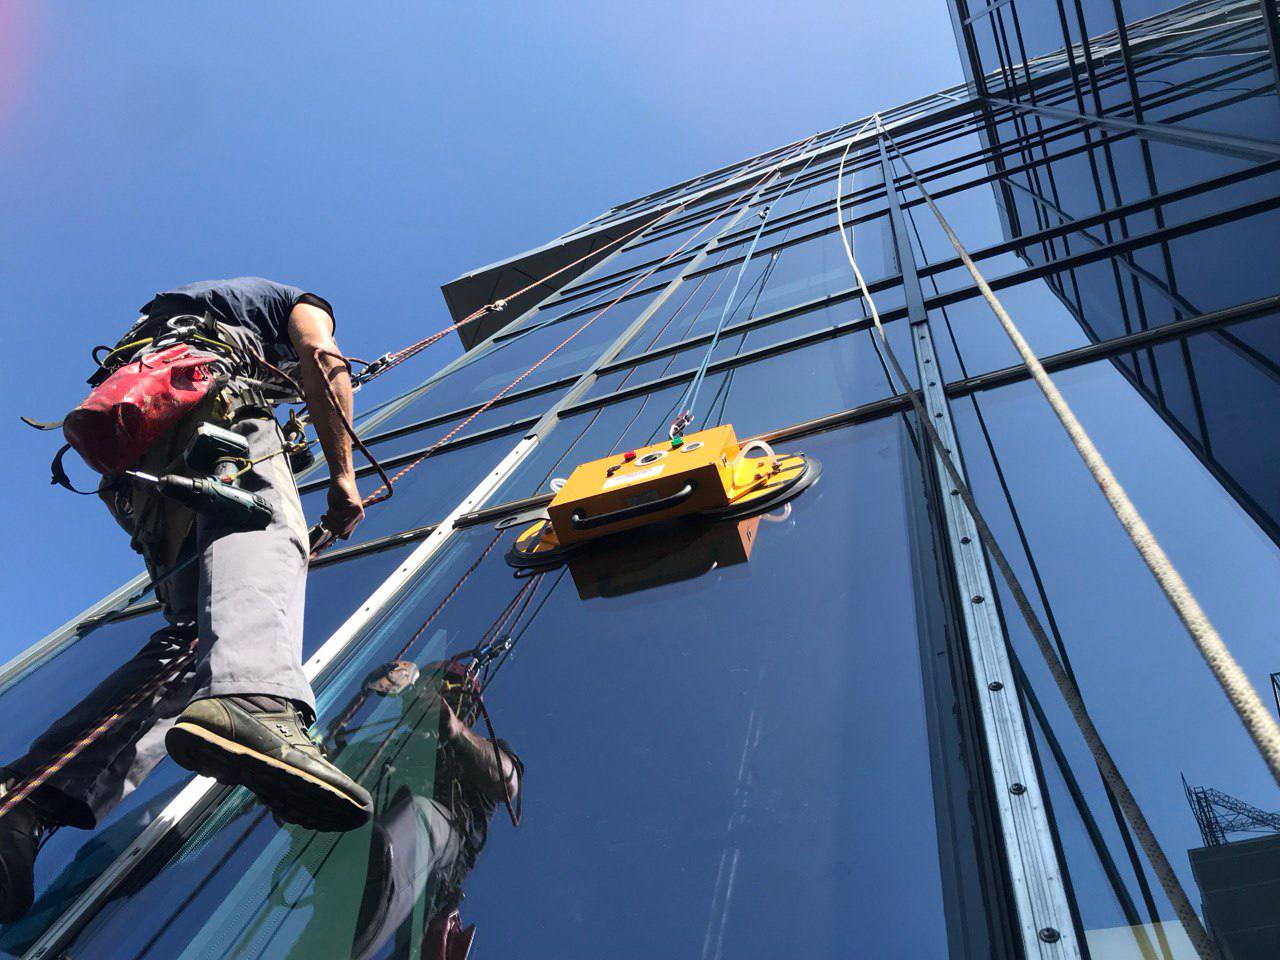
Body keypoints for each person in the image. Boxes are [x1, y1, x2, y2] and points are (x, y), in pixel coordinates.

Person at [0, 278, 373, 923]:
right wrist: (344, 478)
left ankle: (25, 802)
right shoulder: (297, 301)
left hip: (141, 466)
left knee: (192, 638)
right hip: (211, 411)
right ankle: (255, 700)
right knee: (265, 527)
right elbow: (322, 360)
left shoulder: (174, 313)